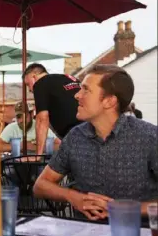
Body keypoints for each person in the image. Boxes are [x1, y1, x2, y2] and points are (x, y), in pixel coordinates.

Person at [33, 64, 158, 221]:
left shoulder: (149, 137)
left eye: (86, 90)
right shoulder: (75, 137)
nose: (77, 95)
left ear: (109, 101)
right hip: (85, 235)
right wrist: (74, 197)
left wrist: (125, 209)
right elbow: (40, 186)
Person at [22, 63, 82, 160]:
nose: (29, 89)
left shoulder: (40, 83)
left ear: (34, 76)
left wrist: (38, 155)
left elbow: (42, 119)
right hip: (93, 130)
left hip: (76, 135)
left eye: (28, 84)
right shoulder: (69, 78)